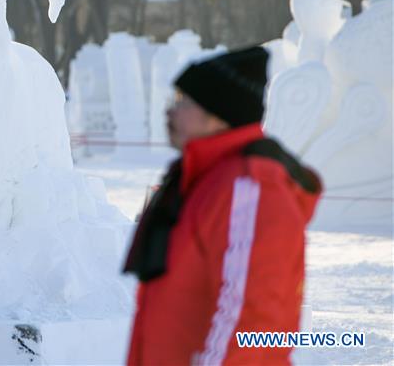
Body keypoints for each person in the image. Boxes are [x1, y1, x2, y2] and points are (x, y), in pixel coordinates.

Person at [123, 46, 323, 365]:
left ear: (218, 116)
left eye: (183, 102)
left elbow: (250, 315)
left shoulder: (250, 186)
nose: (170, 111)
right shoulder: (203, 179)